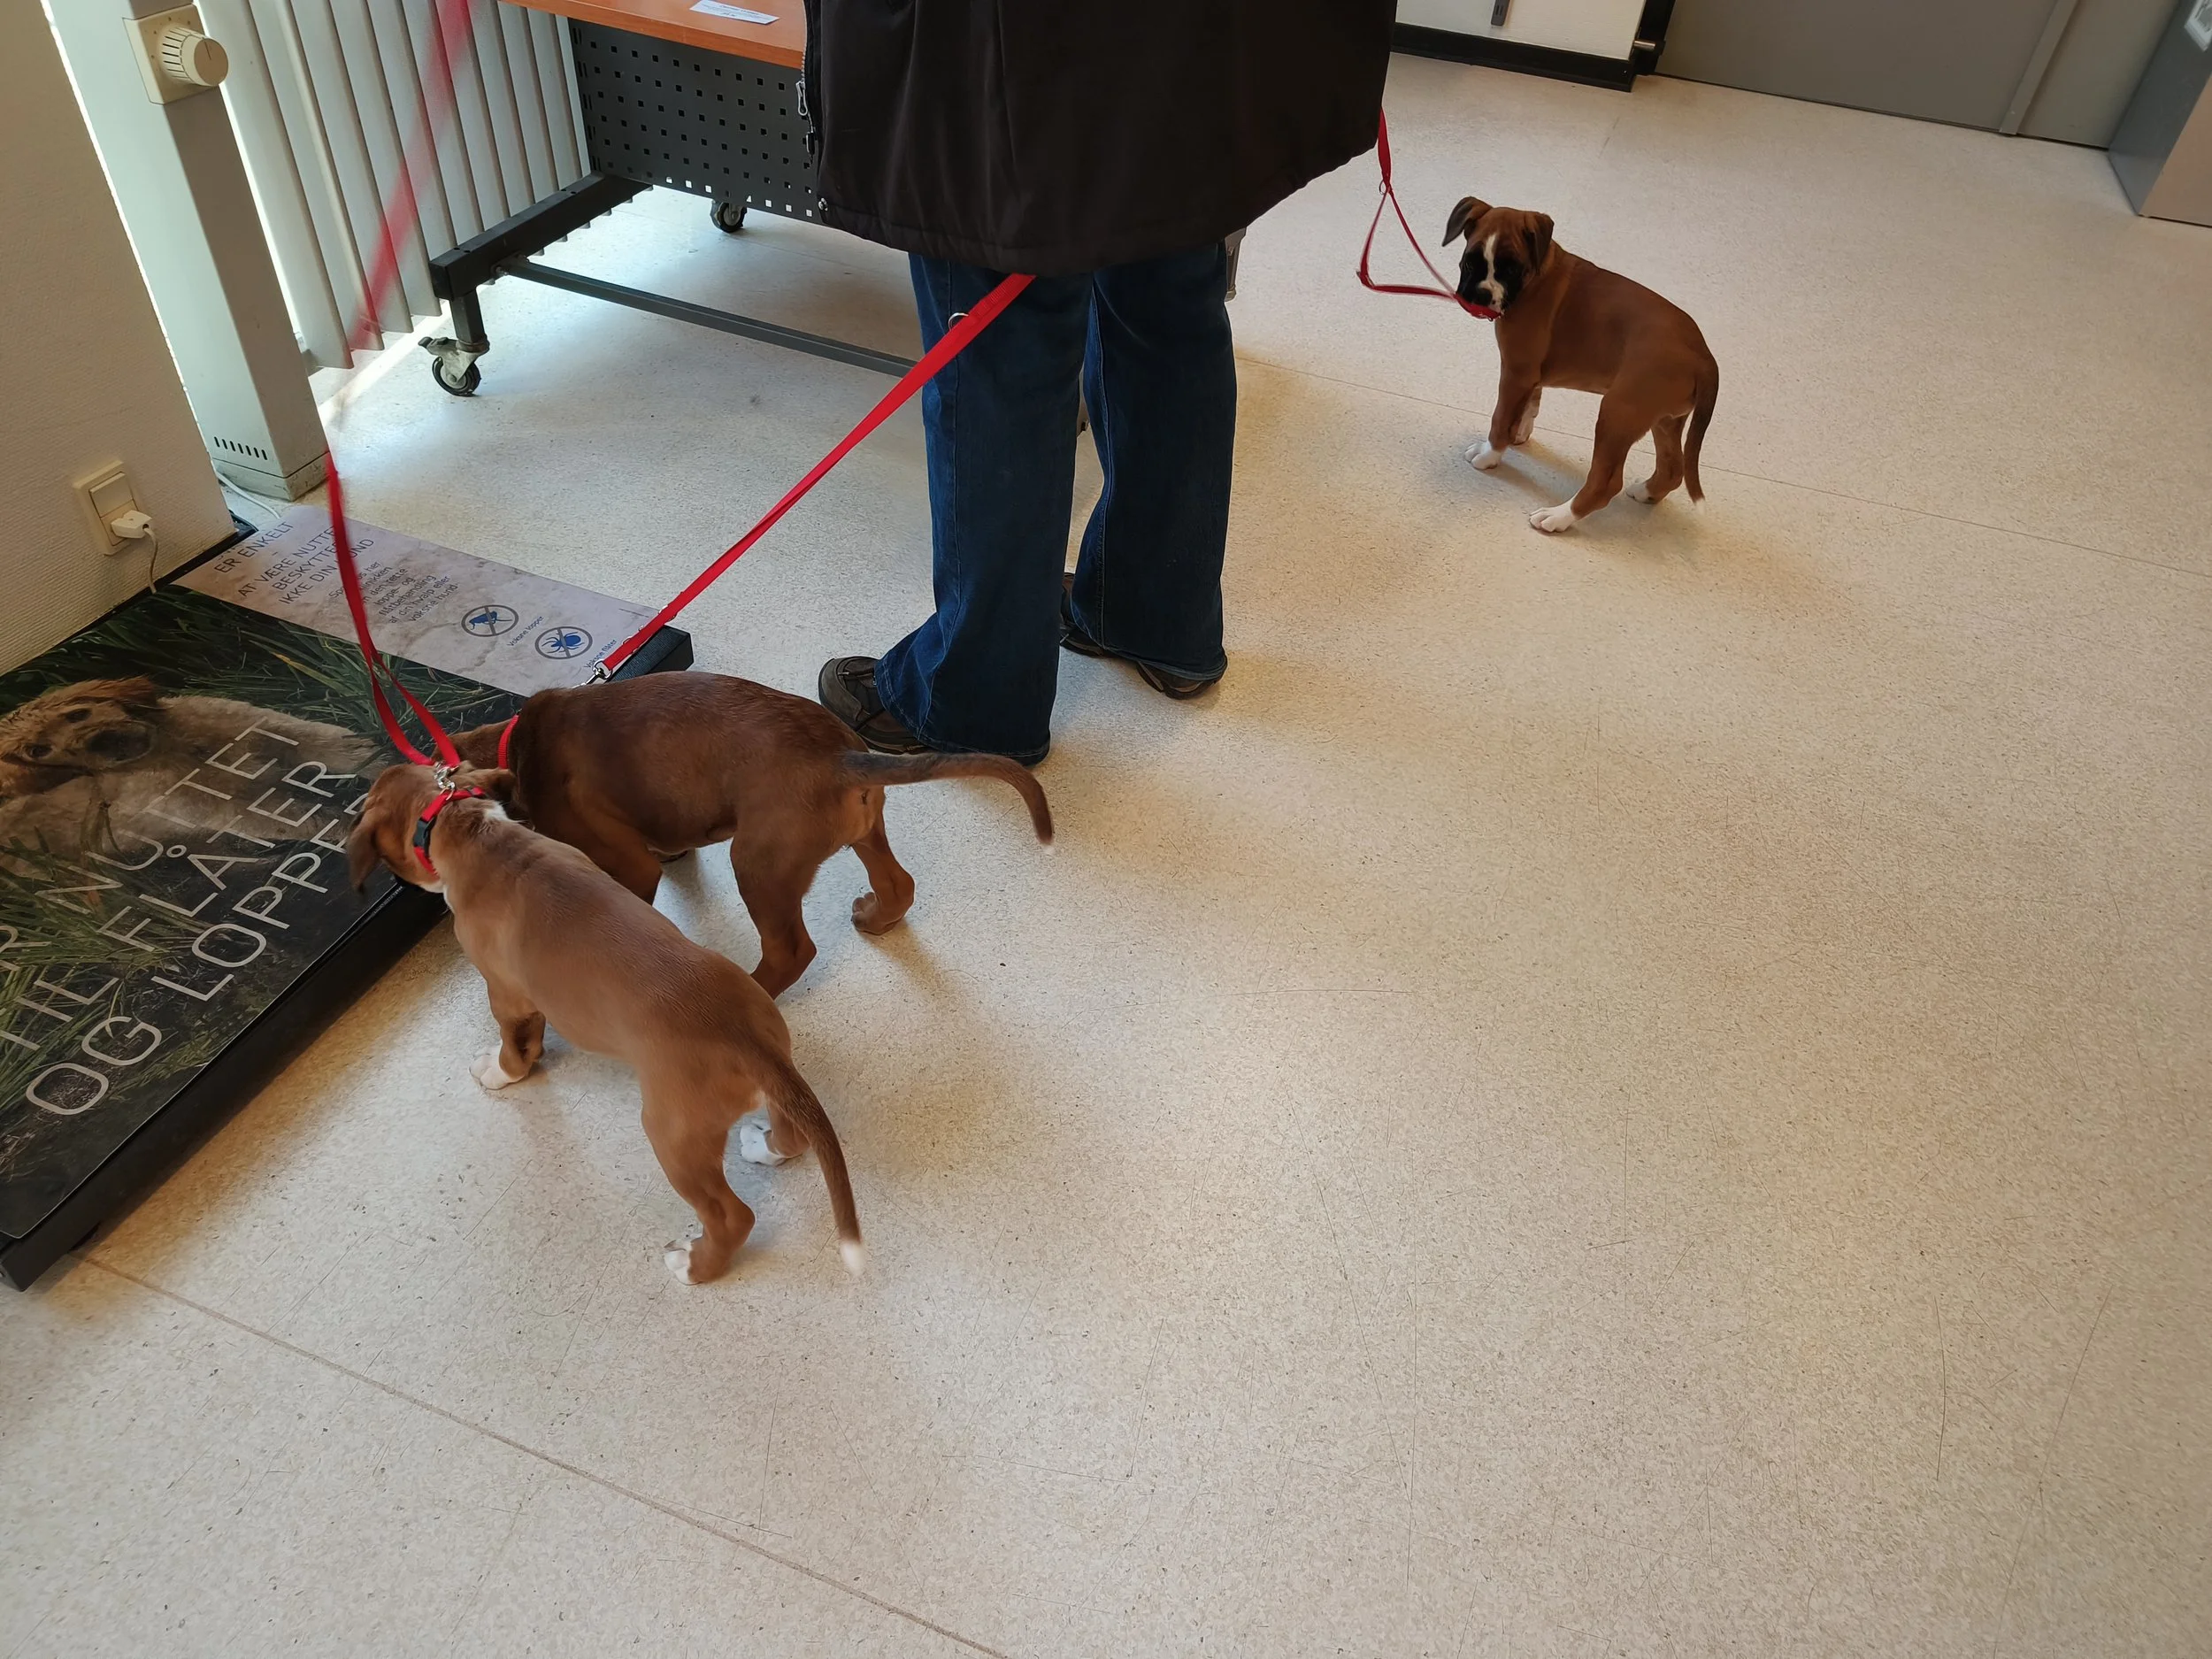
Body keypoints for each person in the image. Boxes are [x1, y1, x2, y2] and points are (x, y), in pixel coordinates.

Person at [804, 0, 1398, 764]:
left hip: (1008, 44)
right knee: (1169, 283)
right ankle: (1153, 614)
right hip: (1186, 36)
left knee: (1000, 346)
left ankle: (976, 699)